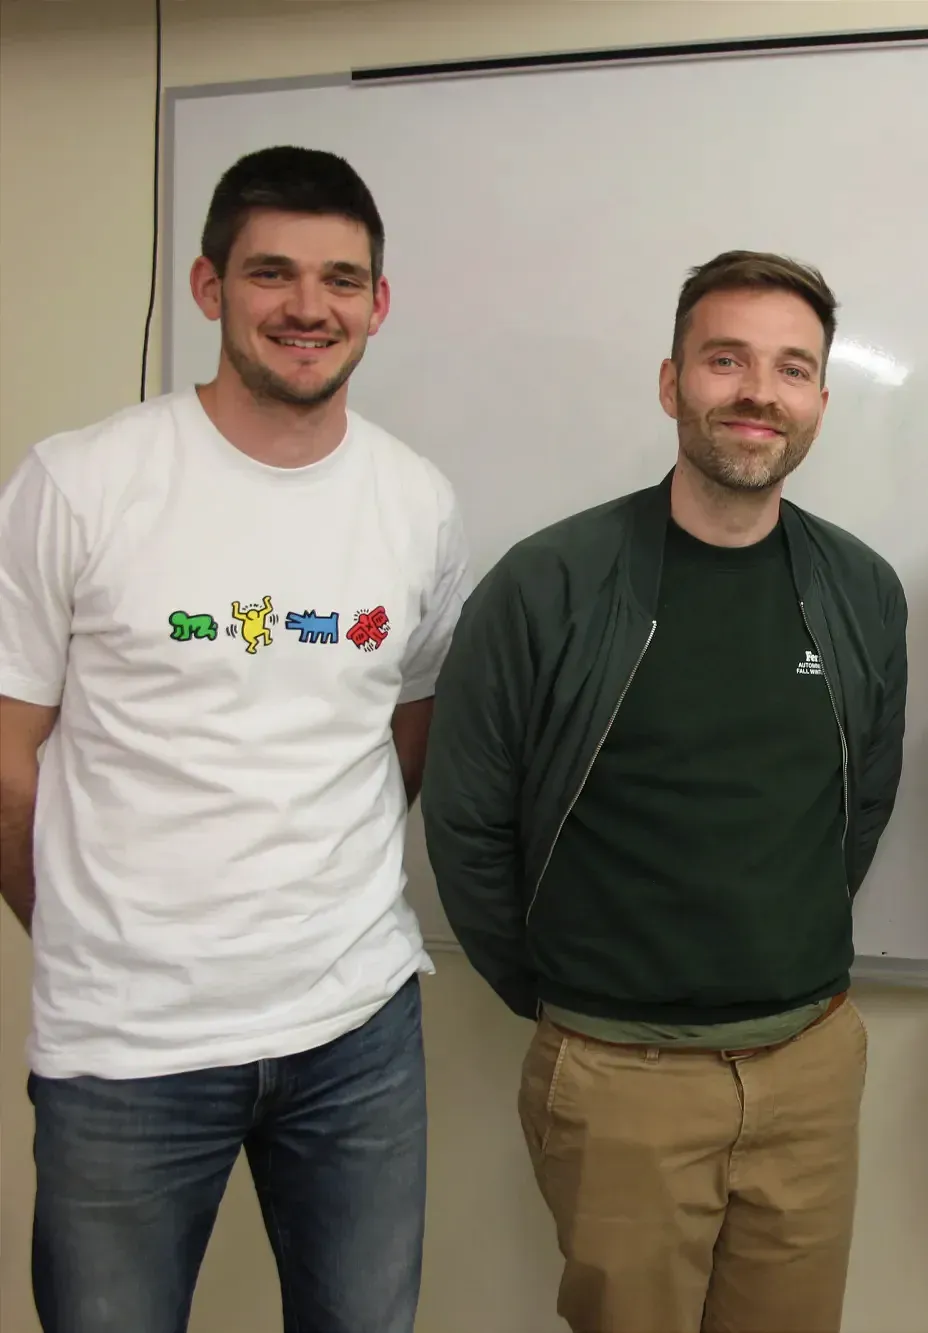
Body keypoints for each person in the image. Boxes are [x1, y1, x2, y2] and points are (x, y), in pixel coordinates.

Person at [0, 145, 466, 1333]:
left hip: (356, 1030)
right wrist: (81, 927)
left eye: (340, 279)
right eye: (272, 273)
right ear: (209, 286)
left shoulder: (417, 501)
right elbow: (6, 753)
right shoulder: (81, 483)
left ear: (378, 302)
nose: (308, 306)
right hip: (126, 1045)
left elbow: (401, 734)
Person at [423, 249, 908, 1333]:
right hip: (618, 1076)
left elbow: (860, 804)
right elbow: (465, 821)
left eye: (791, 368)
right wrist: (570, 1001)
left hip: (809, 1069)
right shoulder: (548, 583)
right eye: (725, 359)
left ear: (819, 400)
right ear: (670, 381)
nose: (758, 391)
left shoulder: (861, 589)